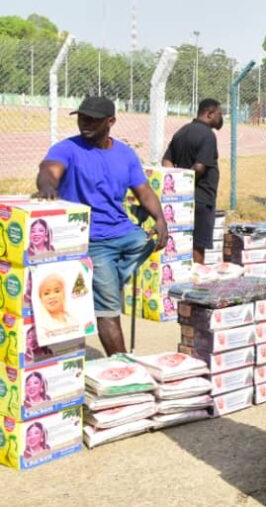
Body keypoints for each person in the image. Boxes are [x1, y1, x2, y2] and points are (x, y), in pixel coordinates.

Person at [35, 96, 166, 355]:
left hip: (124, 231)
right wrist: (48, 185)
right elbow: (49, 170)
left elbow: (144, 192)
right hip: (94, 238)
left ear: (111, 122)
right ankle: (122, 364)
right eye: (82, 117)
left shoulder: (125, 154)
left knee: (147, 241)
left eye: (93, 119)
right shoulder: (67, 149)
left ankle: (105, 281)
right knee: (109, 305)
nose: (85, 123)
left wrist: (161, 219)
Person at [163, 97, 223, 263]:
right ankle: (196, 283)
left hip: (180, 202)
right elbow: (199, 167)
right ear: (209, 114)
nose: (221, 117)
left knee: (180, 243)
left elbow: (166, 160)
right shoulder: (208, 135)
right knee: (197, 246)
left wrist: (174, 186)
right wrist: (183, 185)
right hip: (201, 200)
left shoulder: (182, 131)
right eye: (219, 113)